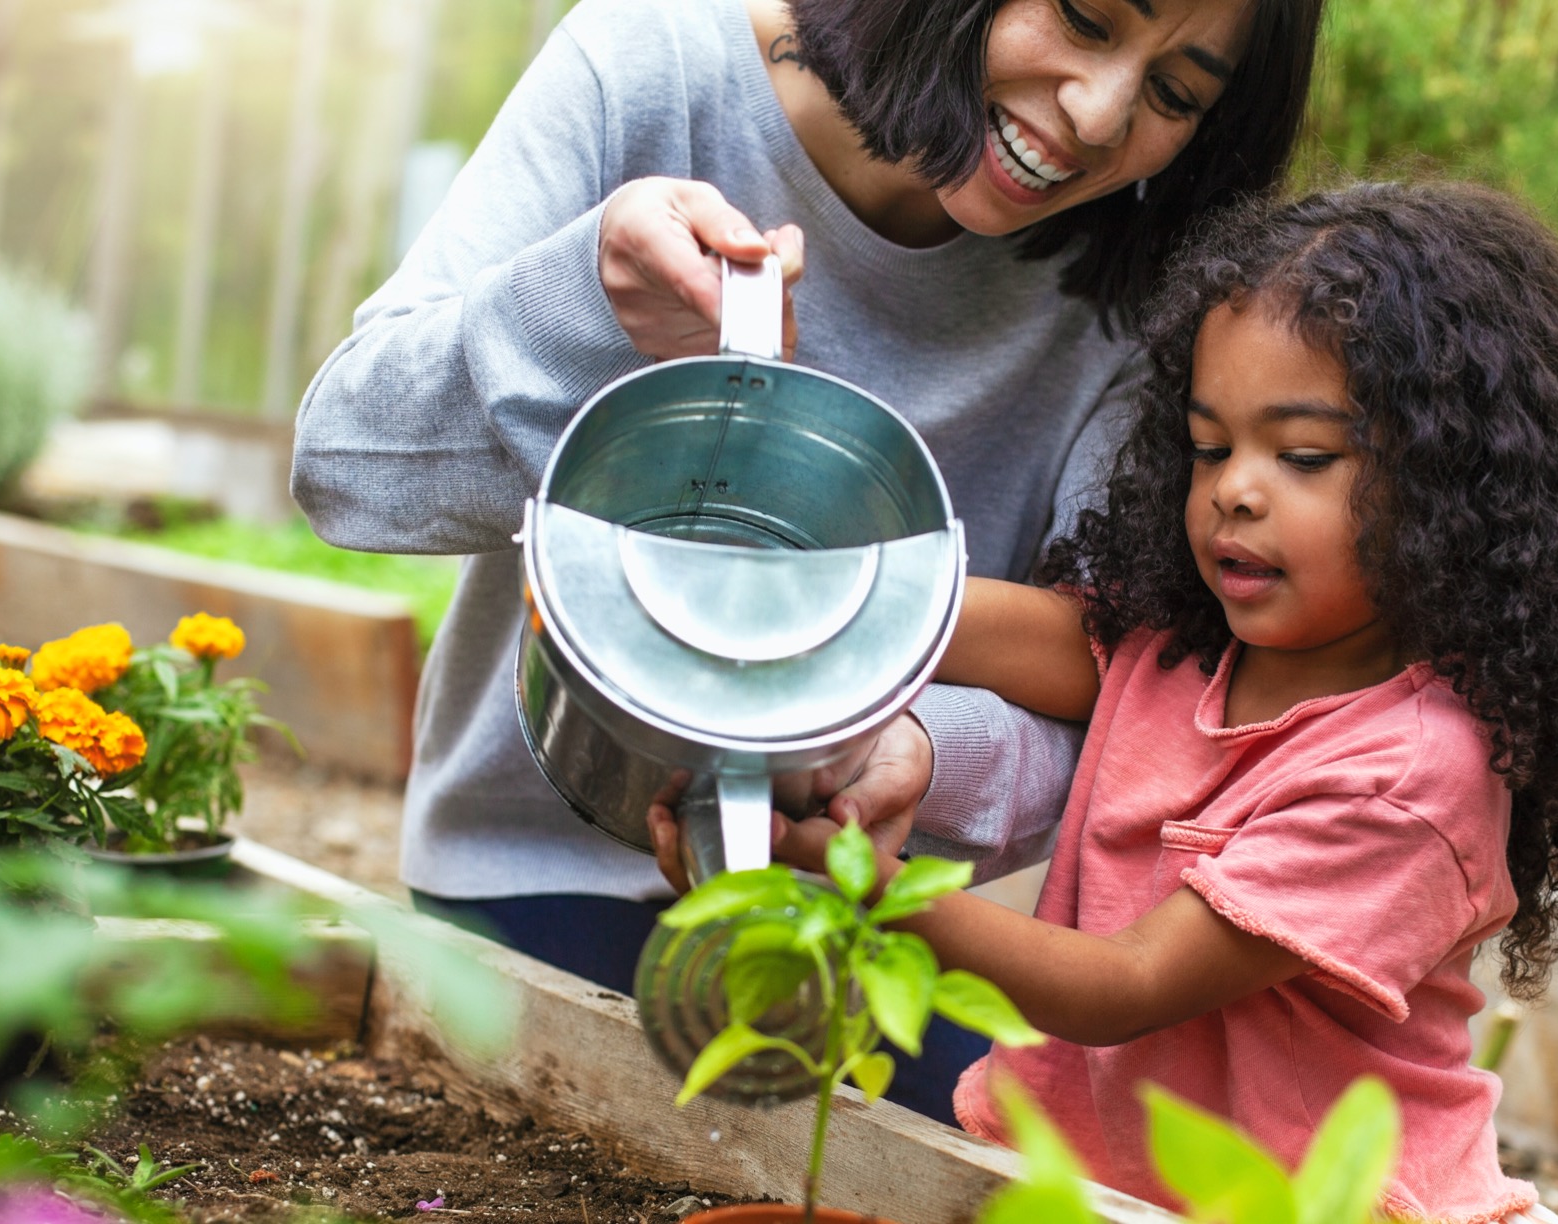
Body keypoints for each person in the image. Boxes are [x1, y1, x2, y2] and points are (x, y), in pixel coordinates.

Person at [291, 0, 1324, 1124]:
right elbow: (347, 466)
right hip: (541, 868)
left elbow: (1136, 703)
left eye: (1175, 93)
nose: (1095, 112)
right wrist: (588, 300)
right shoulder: (658, 67)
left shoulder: (1138, 299)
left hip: (861, 922)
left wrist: (923, 750)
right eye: (1082, 18)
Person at [662, 181, 1558, 1219]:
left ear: (1452, 490)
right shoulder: (1186, 644)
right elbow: (1046, 638)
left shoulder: (1410, 775)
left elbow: (1129, 987)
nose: (1235, 488)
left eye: (1302, 457)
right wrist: (837, 602)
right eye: (1210, 446)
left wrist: (875, 896)